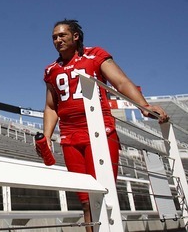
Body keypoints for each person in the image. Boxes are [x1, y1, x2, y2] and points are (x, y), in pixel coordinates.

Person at [42, 19, 169, 231]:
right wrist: (47, 135)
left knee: (103, 193)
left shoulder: (95, 55)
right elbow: (51, 106)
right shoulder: (51, 70)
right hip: (70, 137)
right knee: (85, 200)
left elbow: (121, 82)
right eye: (54, 37)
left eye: (62, 35)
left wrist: (143, 105)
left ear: (75, 36)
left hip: (100, 131)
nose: (57, 39)